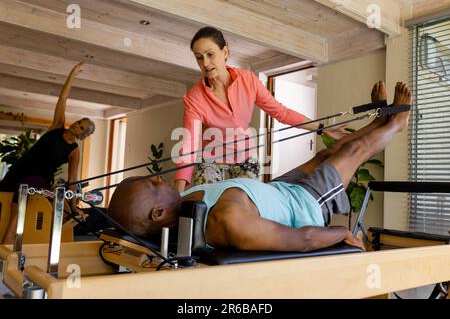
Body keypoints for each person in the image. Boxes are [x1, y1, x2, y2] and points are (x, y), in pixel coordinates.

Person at [108, 81, 411, 252]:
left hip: (279, 190)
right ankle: (396, 123)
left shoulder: (185, 203)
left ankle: (377, 121)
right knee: (355, 150)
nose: (161, 180)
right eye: (153, 185)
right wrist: (339, 234)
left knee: (323, 155)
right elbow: (301, 239)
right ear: (157, 213)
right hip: (304, 205)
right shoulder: (226, 222)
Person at [174, 27, 348, 192]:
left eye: (210, 54)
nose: (205, 63)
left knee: (248, 205)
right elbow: (189, 146)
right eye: (199, 57)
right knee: (205, 204)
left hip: (245, 157)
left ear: (224, 52)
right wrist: (178, 194)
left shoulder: (248, 80)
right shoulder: (194, 97)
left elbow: (282, 112)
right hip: (211, 159)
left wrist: (322, 128)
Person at [0, 62, 95, 244]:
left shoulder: (74, 151)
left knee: (18, 202)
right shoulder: (57, 127)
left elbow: (73, 180)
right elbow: (63, 99)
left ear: (82, 135)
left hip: (38, 178)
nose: (76, 125)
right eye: (78, 122)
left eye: (80, 127)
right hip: (19, 168)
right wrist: (72, 74)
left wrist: (75, 206)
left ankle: (5, 249)